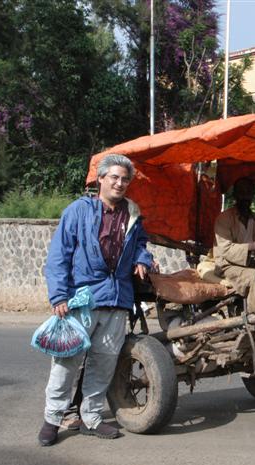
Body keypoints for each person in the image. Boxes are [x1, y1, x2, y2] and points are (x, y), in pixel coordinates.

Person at [38, 153, 153, 446]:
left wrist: (142, 258)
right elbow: (58, 256)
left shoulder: (133, 214)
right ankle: (53, 419)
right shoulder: (78, 211)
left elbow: (140, 243)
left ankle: (91, 418)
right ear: (100, 179)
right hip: (82, 300)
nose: (120, 183)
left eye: (125, 179)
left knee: (103, 364)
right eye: (114, 177)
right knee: (67, 362)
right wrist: (59, 295)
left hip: (117, 301)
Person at [213, 178, 255, 313]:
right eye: (242, 193)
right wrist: (251, 247)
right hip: (227, 266)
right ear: (235, 195)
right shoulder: (223, 219)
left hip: (252, 263)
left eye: (248, 193)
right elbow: (225, 250)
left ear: (252, 195)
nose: (245, 197)